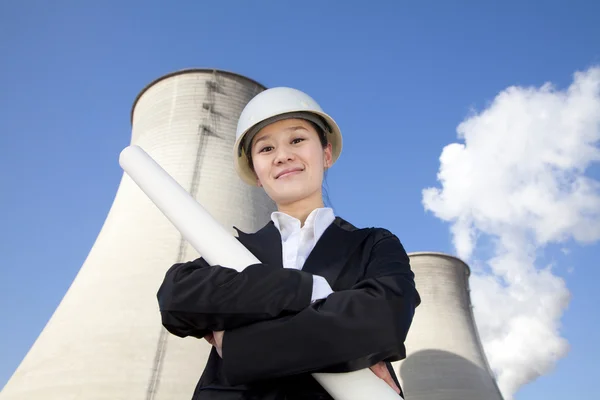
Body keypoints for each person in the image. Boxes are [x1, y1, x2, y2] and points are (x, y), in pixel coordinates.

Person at [156, 87, 421, 399]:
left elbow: (382, 321)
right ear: (256, 172)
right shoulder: (234, 250)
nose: (283, 156)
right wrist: (306, 290)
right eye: (266, 149)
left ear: (326, 154)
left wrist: (241, 346)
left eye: (297, 140)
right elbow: (176, 298)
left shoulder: (372, 244)